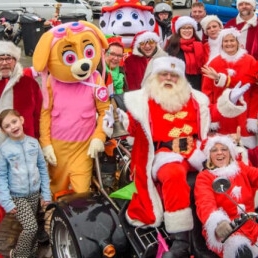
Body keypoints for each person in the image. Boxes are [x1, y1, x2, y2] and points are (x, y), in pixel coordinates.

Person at [103, 56, 249, 257]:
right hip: (166, 153)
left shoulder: (195, 99)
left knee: (233, 164)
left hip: (195, 150)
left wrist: (230, 99)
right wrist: (116, 123)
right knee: (172, 174)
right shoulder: (143, 101)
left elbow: (211, 113)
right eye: (164, 74)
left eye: (173, 75)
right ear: (155, 76)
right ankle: (180, 240)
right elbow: (133, 127)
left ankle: (236, 219)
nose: (169, 78)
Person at [0, 40, 43, 235]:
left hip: (27, 147)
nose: (4, 62)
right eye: (0, 59)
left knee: (30, 188)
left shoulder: (29, 84)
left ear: (16, 60)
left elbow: (39, 114)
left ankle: (32, 228)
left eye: (8, 58)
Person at [195, 135, 258, 258]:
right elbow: (205, 203)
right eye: (214, 150)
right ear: (209, 156)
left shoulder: (240, 168)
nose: (219, 153)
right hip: (228, 231)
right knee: (242, 252)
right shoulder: (205, 177)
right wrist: (218, 222)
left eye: (224, 149)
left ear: (230, 152)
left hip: (251, 226)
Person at [0, 109, 51, 258]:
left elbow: (42, 168)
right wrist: (6, 201)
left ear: (21, 120)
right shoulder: (4, 150)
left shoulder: (34, 143)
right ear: (3, 131)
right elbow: (1, 176)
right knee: (30, 228)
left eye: (14, 121)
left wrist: (46, 193)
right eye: (7, 126)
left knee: (34, 226)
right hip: (17, 196)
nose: (13, 127)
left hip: (34, 193)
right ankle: (18, 255)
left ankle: (32, 254)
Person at [201, 28, 258, 149]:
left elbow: (251, 87)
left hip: (244, 115)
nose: (229, 43)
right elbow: (207, 93)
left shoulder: (250, 61)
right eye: (225, 41)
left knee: (245, 153)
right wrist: (212, 117)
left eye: (232, 40)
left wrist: (252, 117)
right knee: (223, 151)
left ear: (238, 42)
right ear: (221, 43)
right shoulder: (213, 63)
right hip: (222, 116)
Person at [165, 16, 204, 91]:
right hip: (178, 88)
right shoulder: (172, 46)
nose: (187, 30)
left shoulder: (200, 45)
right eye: (184, 28)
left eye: (189, 28)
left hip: (197, 87)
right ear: (179, 30)